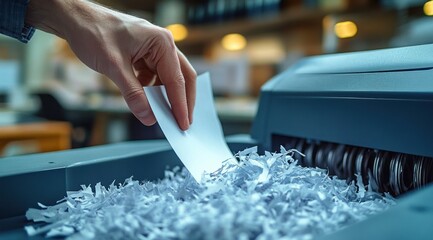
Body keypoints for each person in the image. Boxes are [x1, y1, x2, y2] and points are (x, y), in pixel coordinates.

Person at [0, 0, 196, 131]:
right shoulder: (63, 60)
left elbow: (102, 84)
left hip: (86, 104)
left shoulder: (93, 61)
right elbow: (53, 83)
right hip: (69, 107)